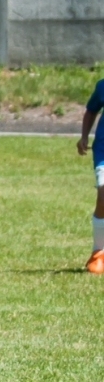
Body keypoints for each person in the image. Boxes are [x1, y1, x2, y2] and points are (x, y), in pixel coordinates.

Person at [79, 74, 104, 274]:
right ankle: (98, 252)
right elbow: (91, 110)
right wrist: (84, 137)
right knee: (103, 194)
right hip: (103, 151)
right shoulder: (102, 86)